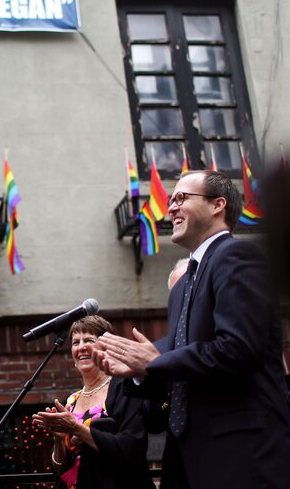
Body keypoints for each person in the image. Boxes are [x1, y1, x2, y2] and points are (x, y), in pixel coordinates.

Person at [93, 170, 290, 489]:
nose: (170, 207)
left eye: (182, 198)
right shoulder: (184, 284)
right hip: (192, 459)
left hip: (243, 454)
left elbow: (237, 350)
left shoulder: (236, 256)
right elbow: (185, 376)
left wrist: (155, 363)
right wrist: (141, 373)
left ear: (218, 205)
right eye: (171, 199)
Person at [32, 315, 153, 489]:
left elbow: (131, 449)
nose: (81, 347)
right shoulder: (71, 401)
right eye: (75, 342)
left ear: (106, 348)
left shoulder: (124, 389)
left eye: (89, 340)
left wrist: (75, 428)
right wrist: (59, 440)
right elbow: (61, 471)